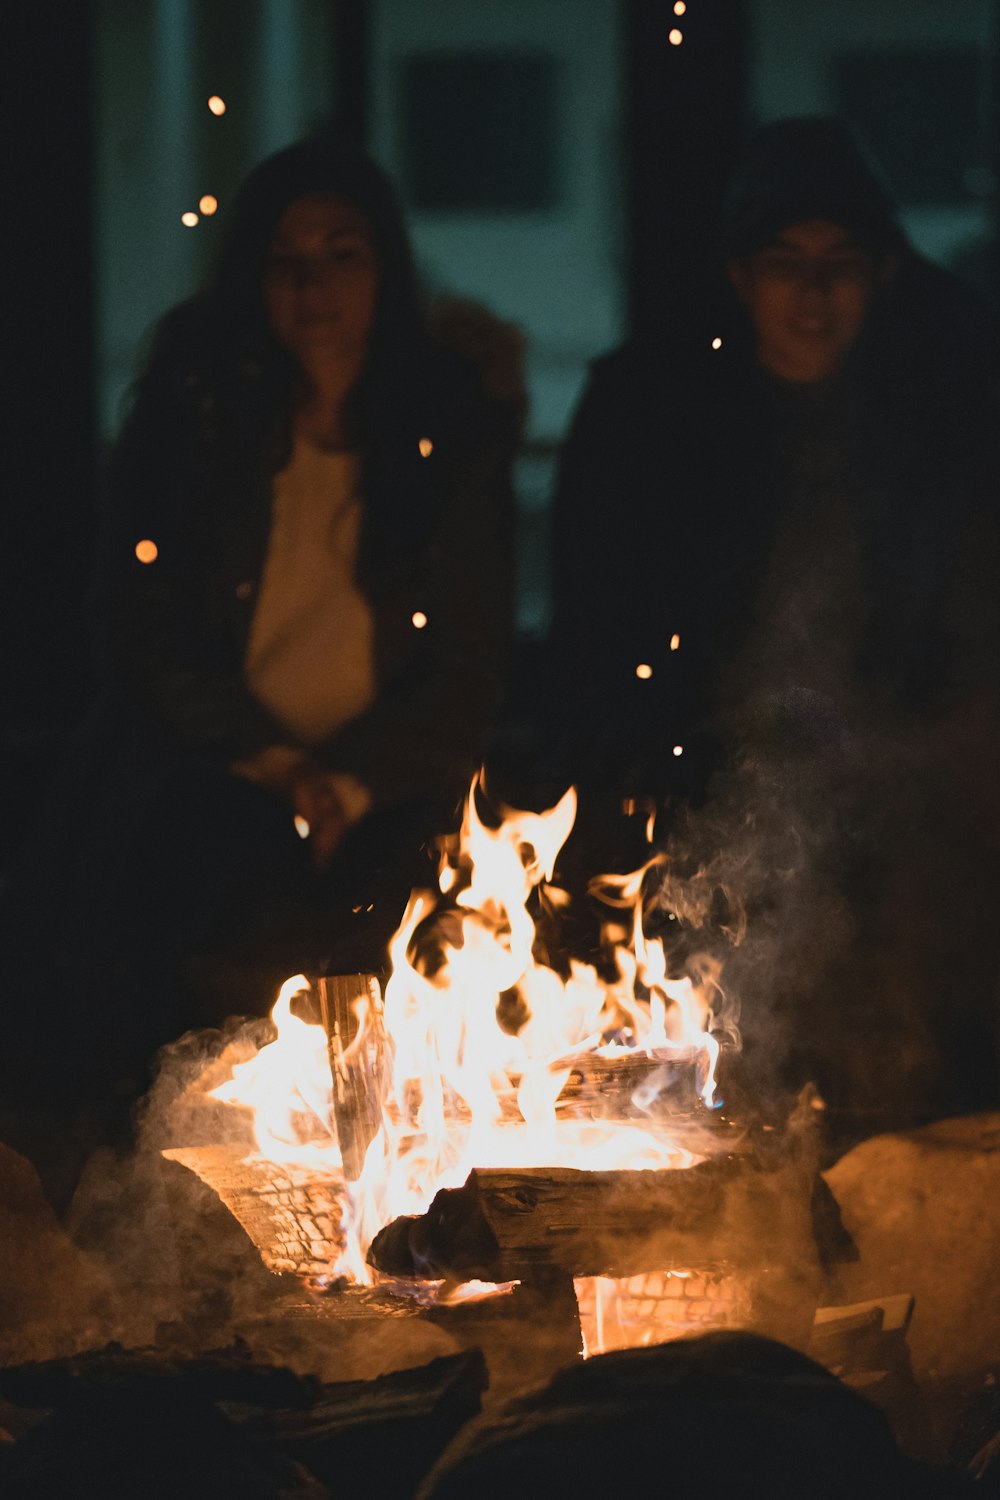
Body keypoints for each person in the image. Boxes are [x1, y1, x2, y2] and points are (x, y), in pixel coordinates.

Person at [1, 136, 518, 1149]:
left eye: (342, 254)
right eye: (287, 258)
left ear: (385, 270)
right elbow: (138, 628)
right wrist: (279, 769)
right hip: (208, 774)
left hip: (385, 789)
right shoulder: (196, 418)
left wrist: (350, 785)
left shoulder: (441, 432)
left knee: (410, 939)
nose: (313, 284)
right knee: (196, 912)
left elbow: (469, 657)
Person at [546, 117, 1000, 1136]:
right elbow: (603, 629)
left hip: (896, 779)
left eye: (840, 265)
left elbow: (964, 626)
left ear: (880, 276)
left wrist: (905, 746)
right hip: (700, 770)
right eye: (785, 264)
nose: (813, 293)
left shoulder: (933, 420)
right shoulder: (655, 414)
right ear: (741, 277)